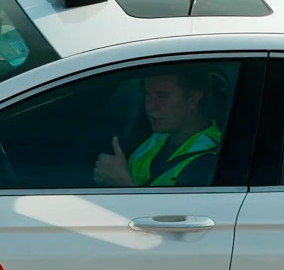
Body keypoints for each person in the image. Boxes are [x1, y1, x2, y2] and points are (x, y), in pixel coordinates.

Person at [92, 68, 223, 187]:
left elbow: (180, 207)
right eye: (147, 95)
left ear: (192, 99)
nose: (150, 107)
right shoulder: (160, 135)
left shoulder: (211, 161)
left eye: (162, 96)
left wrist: (123, 184)